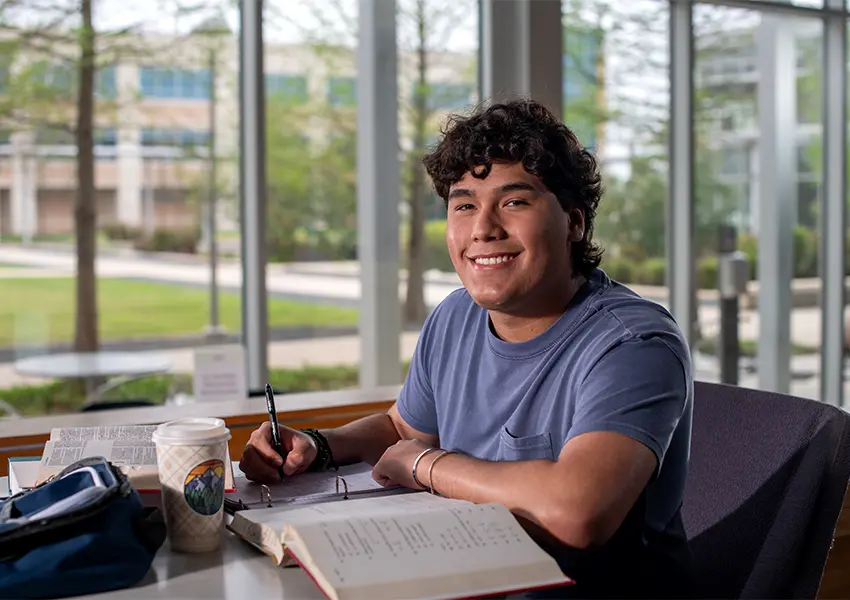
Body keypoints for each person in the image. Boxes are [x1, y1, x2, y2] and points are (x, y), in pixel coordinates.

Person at [240, 99, 693, 598]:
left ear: (575, 223)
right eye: (464, 205)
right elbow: (403, 428)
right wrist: (319, 445)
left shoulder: (631, 344)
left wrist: (425, 465)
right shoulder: (457, 316)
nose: (483, 228)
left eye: (514, 202)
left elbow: (577, 512)